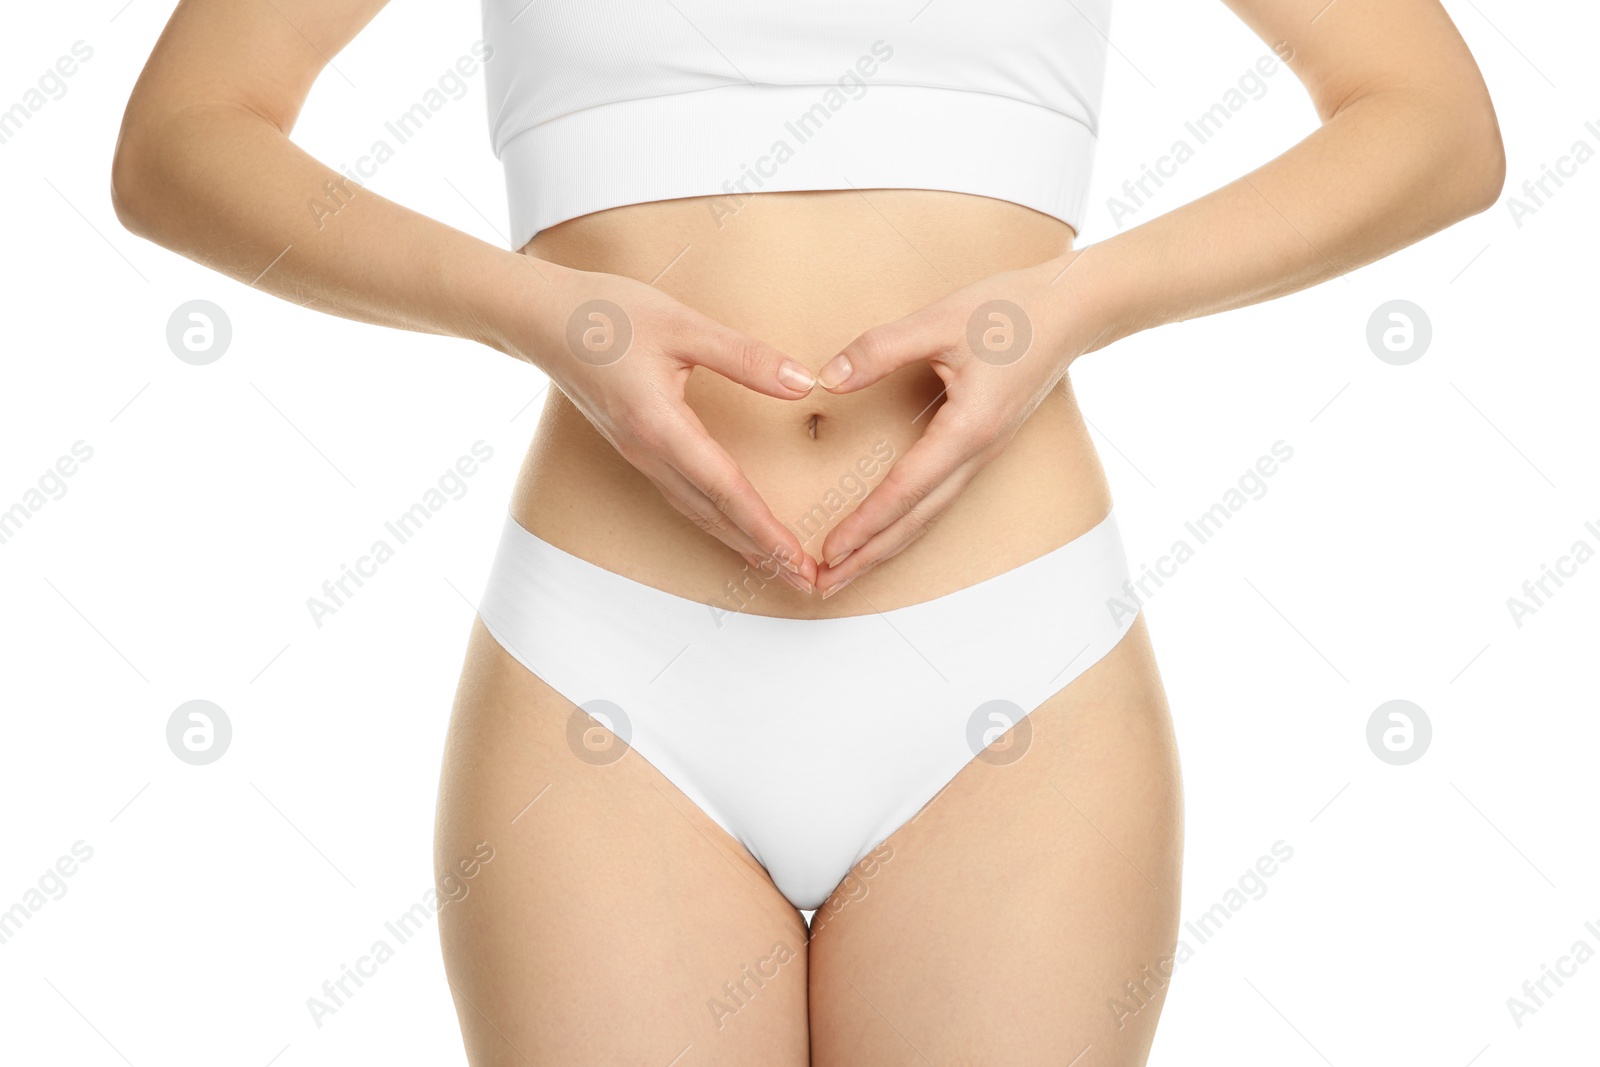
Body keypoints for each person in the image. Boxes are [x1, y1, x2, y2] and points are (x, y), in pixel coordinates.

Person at [111, 0, 1503, 1062]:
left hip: (1015, 681)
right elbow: (184, 137)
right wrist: (545, 314)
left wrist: (1080, 302)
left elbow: (1433, 121)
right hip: (609, 683)